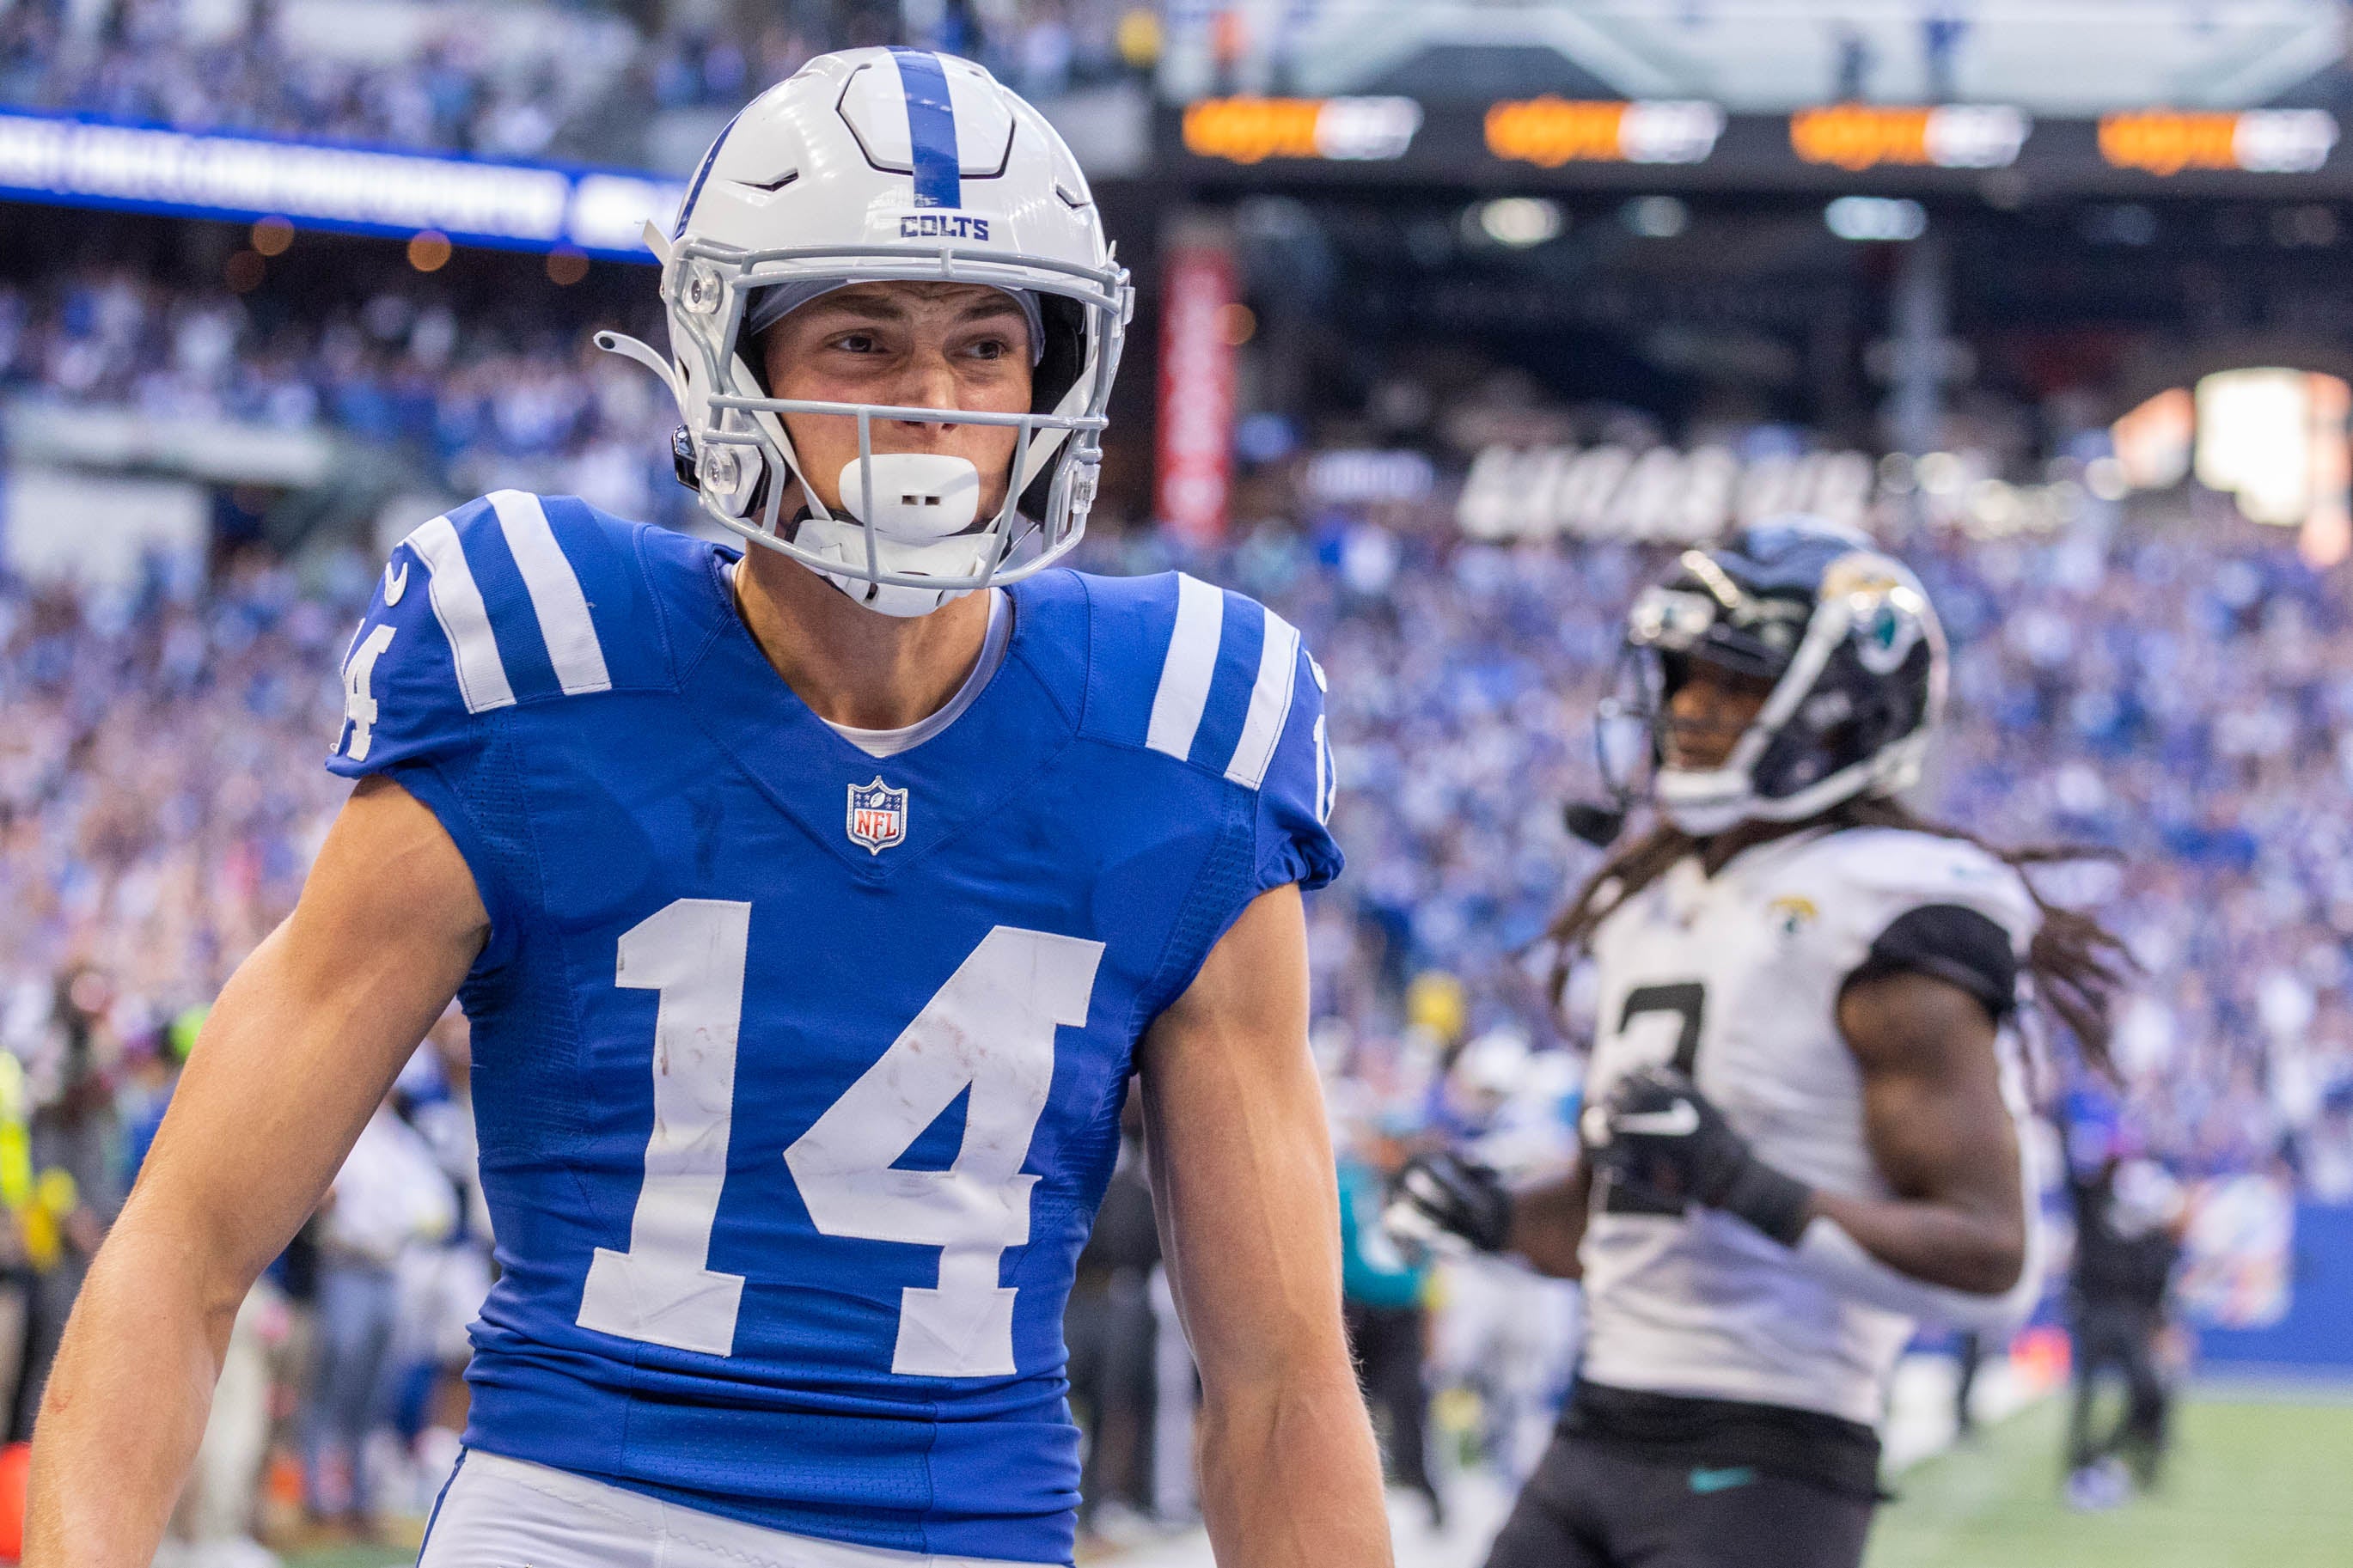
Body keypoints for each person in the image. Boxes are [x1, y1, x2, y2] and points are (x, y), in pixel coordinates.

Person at [26, 48, 1390, 1568]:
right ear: (728, 350)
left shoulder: (1181, 732)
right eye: (863, 340)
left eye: (987, 345)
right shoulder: (543, 667)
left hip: (967, 1538)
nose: (932, 405)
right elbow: (186, 1244)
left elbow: (1277, 1384)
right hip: (577, 1523)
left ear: (1054, 378)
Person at [1390, 520, 2130, 1568]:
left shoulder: (1887, 901)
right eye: (1683, 678)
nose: (1689, 709)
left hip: (1771, 1454)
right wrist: (1499, 1214)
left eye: (1732, 686)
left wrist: (1744, 1182)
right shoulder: (1656, 896)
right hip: (1596, 1424)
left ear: (1839, 713)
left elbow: (1989, 1266)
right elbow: (1632, 1224)